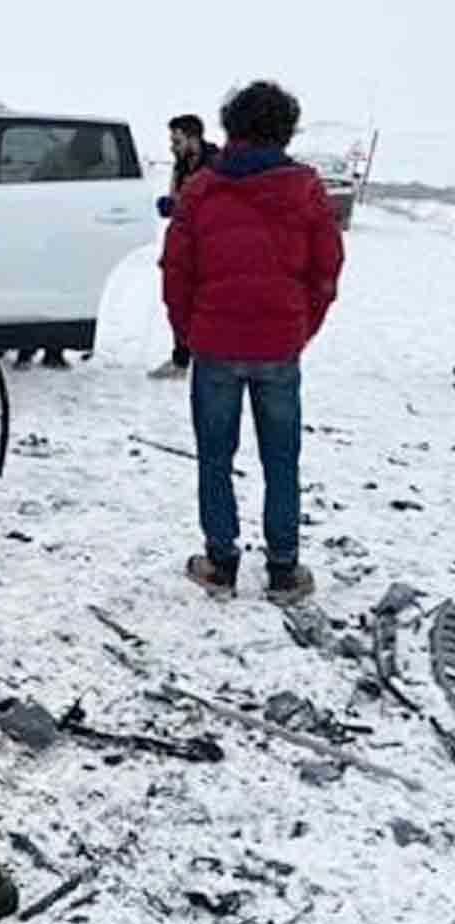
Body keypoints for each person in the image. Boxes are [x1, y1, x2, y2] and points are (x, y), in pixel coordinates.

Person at [159, 81, 345, 602]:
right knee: (281, 458)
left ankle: (220, 563)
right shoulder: (305, 188)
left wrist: (188, 334)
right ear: (286, 130)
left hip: (216, 346)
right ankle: (284, 570)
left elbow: (176, 272)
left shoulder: (200, 189)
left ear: (230, 127)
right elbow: (327, 269)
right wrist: (300, 327)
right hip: (279, 347)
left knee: (215, 456)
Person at [149, 114, 220, 380]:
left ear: (193, 138)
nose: (172, 146)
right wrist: (170, 204)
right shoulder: (180, 165)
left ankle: (205, 360)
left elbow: (213, 206)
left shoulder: (216, 165)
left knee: (205, 303)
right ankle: (181, 358)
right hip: (183, 242)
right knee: (178, 299)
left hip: (209, 245)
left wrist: (178, 205)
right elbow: (181, 200)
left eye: (177, 140)